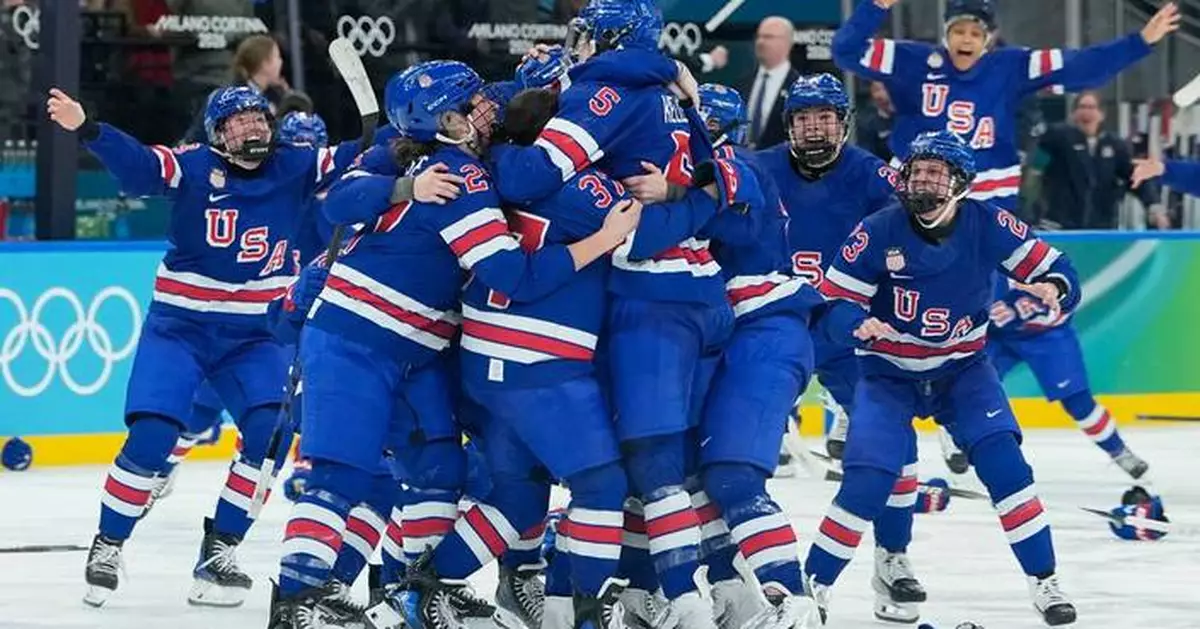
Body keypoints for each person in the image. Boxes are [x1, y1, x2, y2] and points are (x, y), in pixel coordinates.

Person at [267, 59, 640, 629]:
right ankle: (294, 601)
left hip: (419, 350)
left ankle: (404, 591)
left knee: (442, 469)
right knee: (340, 475)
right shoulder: (458, 180)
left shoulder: (435, 155)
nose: (487, 110)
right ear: (443, 120)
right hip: (357, 339)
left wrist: (563, 67)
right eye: (472, 106)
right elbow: (514, 277)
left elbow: (343, 199)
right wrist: (603, 239)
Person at [47, 84, 360, 608]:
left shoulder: (297, 164)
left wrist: (402, 134)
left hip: (255, 335)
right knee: (153, 436)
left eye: (257, 118)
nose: (251, 129)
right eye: (236, 122)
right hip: (180, 329)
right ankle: (109, 542)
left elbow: (362, 154)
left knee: (272, 431)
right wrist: (89, 128)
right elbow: (142, 165)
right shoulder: (192, 167)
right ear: (217, 135)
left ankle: (221, 549)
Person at [490, 1, 733, 624]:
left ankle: (669, 601)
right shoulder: (669, 88)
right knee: (644, 465)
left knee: (630, 467)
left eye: (587, 38)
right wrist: (684, 195)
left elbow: (533, 173)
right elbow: (719, 183)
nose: (578, 46)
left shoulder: (607, 87)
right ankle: (635, 592)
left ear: (613, 39)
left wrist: (488, 148)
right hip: (697, 286)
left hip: (642, 292)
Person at [805, 131, 1081, 627]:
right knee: (867, 481)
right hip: (887, 372)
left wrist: (1053, 287)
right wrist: (854, 321)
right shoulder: (878, 229)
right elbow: (831, 304)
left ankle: (1045, 582)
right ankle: (813, 589)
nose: (924, 180)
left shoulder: (990, 222)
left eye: (937, 172)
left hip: (963, 371)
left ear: (960, 183)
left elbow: (1060, 268)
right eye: (917, 171)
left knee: (1007, 469)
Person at [756, 73, 928, 624]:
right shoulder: (757, 169)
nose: (814, 126)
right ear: (789, 124)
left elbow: (921, 237)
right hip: (773, 328)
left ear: (844, 122)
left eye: (825, 116)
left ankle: (892, 558)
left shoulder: (878, 177)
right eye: (803, 117)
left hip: (848, 332)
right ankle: (731, 570)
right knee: (733, 457)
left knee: (898, 448)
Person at [831, 0, 1180, 211]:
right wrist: (875, 7)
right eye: (959, 31)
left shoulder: (1012, 66)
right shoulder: (912, 59)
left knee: (982, 297)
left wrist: (1139, 42)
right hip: (915, 190)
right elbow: (845, 51)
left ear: (989, 39)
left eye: (975, 33)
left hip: (987, 194)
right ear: (946, 35)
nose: (966, 39)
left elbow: (1080, 66)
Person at [691, 82, 824, 629]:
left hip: (765, 332)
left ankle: (793, 600)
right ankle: (729, 588)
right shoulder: (725, 164)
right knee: (694, 477)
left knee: (730, 478)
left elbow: (715, 220)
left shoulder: (731, 167)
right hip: (733, 335)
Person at [1030, 91, 1166, 230]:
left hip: (1100, 228)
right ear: (1073, 113)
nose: (1086, 112)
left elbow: (1135, 177)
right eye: (1082, 107)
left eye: (1091, 107)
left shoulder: (1114, 145)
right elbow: (1036, 144)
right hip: (1060, 226)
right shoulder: (1058, 138)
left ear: (1101, 114)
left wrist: (1153, 207)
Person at [741, 17, 801, 149]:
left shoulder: (799, 87)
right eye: (759, 37)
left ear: (787, 42)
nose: (760, 42)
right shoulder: (742, 85)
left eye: (768, 37)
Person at [855, 81, 894, 162]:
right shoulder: (867, 124)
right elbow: (867, 155)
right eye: (876, 90)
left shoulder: (906, 119)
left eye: (884, 89)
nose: (881, 94)